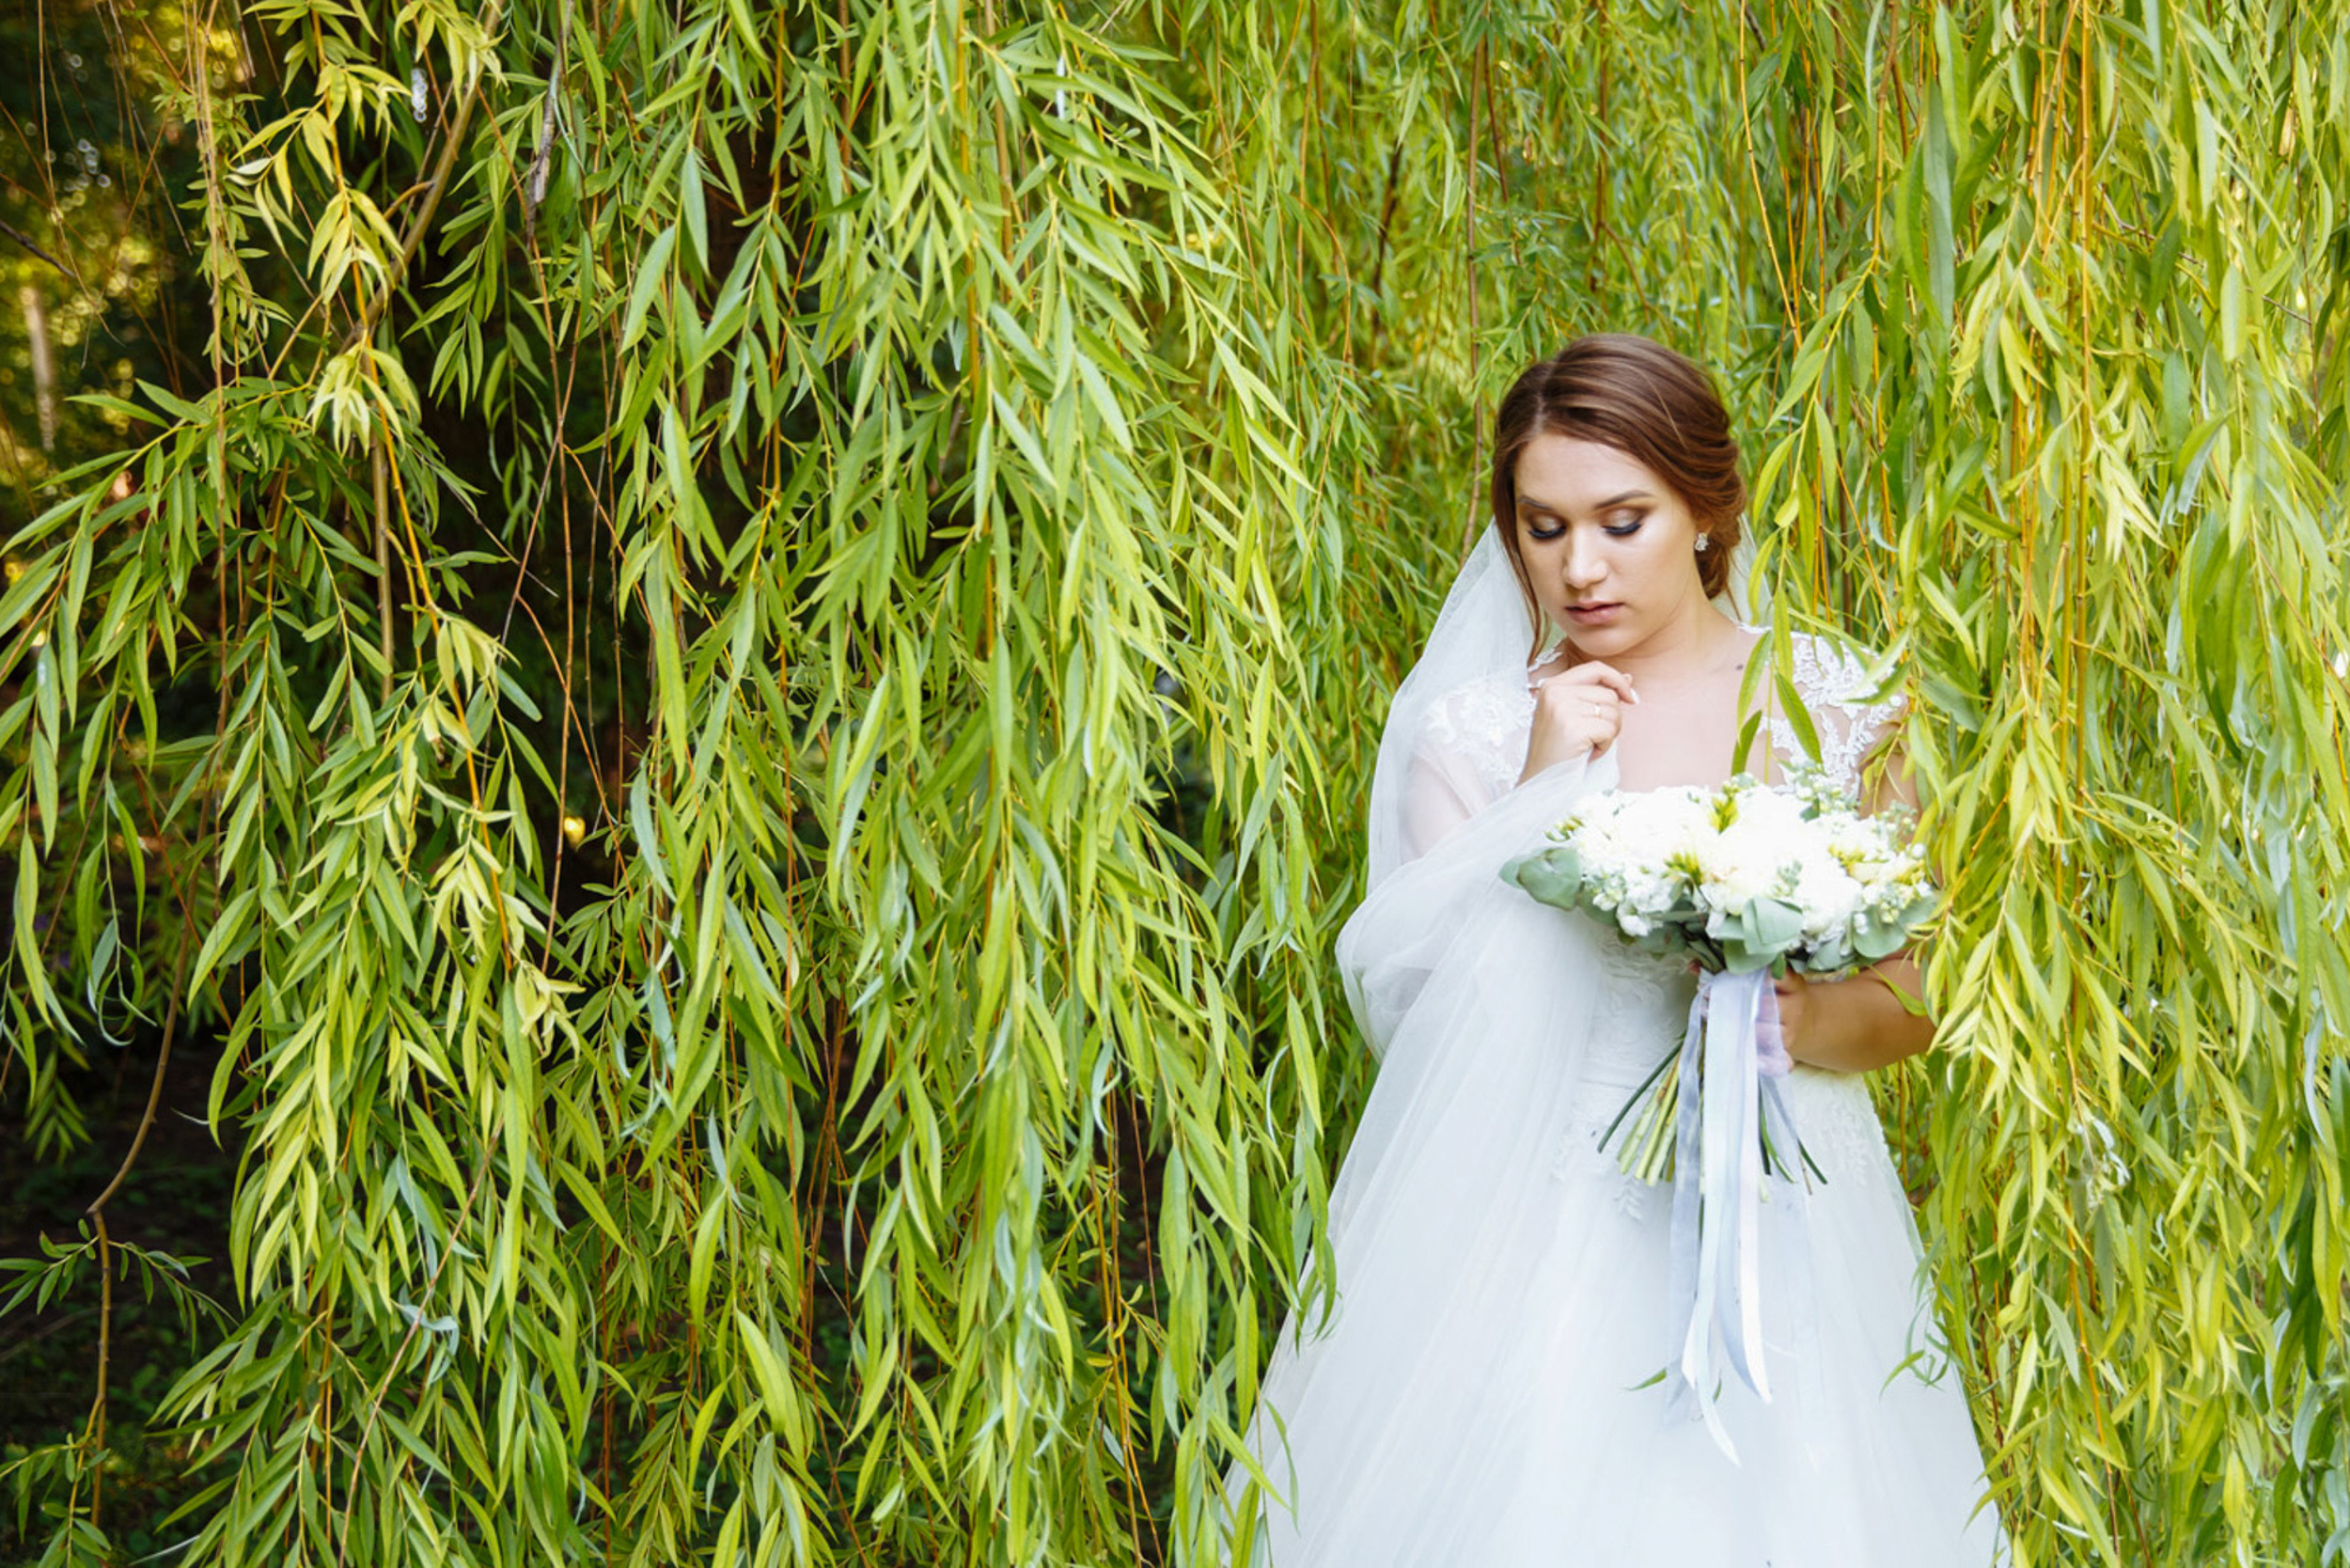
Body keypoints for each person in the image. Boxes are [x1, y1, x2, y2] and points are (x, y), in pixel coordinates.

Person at [1215, 335, 2009, 1565]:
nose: (1578, 567)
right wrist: (1541, 786)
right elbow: (1426, 1029)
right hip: (1538, 1224)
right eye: (1543, 528)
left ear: (1706, 512)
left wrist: (1783, 1024)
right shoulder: (1473, 734)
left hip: (1789, 1211)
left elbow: (1913, 1005)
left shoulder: (1835, 705)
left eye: (1621, 521)